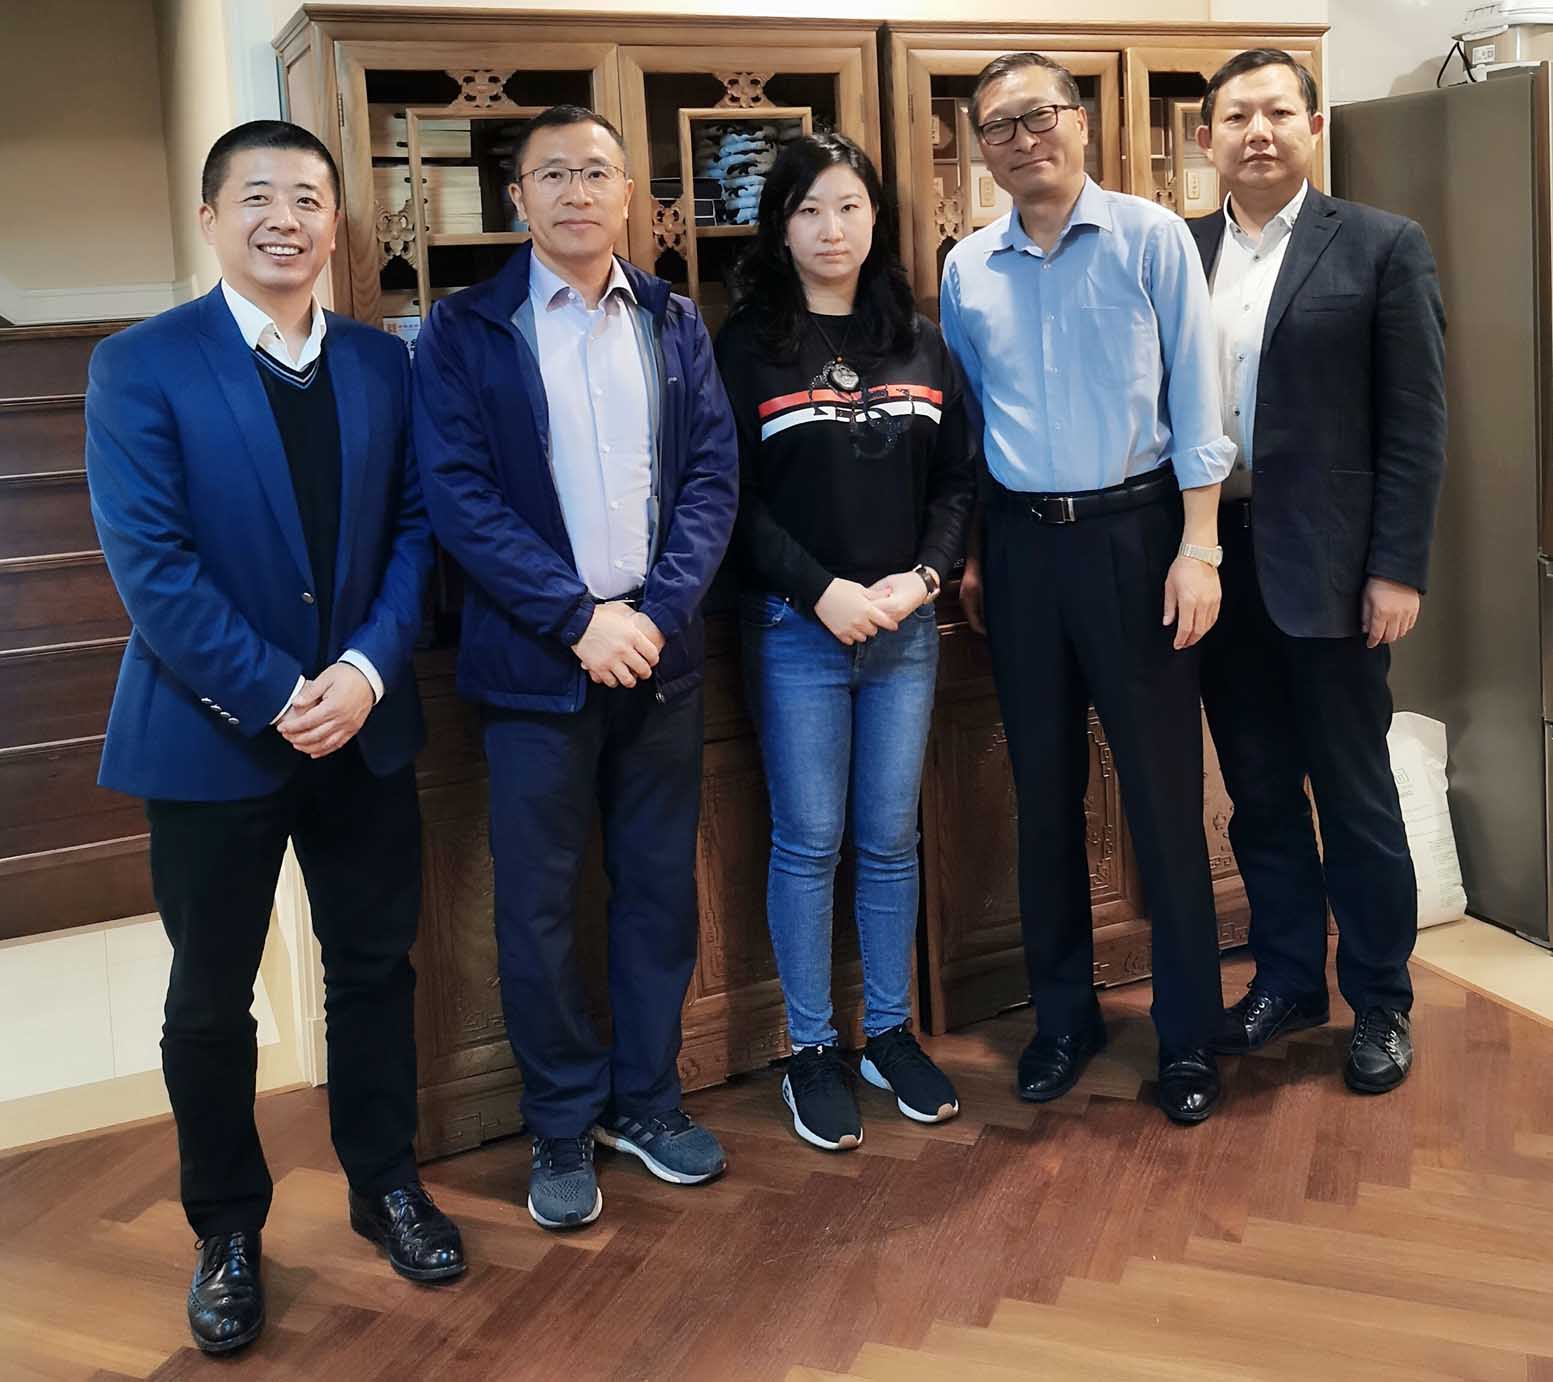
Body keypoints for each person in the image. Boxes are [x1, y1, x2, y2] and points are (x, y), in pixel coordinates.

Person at [84, 120, 463, 1355]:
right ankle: (227, 1227)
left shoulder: (381, 362)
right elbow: (154, 568)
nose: (284, 218)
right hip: (213, 739)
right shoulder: (140, 364)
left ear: (335, 221)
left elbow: (416, 531)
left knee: (374, 969)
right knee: (210, 996)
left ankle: (385, 1183)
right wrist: (279, 692)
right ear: (211, 218)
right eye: (256, 195)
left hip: (364, 725)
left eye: (307, 196)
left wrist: (360, 673)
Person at [414, 105, 740, 1229]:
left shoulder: (672, 318)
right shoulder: (464, 327)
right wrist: (575, 619)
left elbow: (711, 478)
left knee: (656, 892)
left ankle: (647, 1100)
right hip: (532, 669)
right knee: (539, 907)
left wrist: (652, 613)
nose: (575, 192)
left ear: (629, 196)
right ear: (518, 198)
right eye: (551, 174)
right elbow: (458, 496)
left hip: (661, 659)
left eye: (595, 172)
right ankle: (559, 1120)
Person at [940, 52, 1236, 1125]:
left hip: (1136, 538)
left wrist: (1197, 546)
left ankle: (1189, 1033)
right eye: (998, 126)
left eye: (1039, 116)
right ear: (980, 147)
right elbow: (969, 424)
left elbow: (1197, 394)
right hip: (1021, 549)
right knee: (1043, 792)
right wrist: (976, 551)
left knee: (1161, 796)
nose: (1022, 139)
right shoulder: (966, 268)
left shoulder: (1151, 237)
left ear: (1078, 121)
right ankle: (1063, 1020)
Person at [1189, 49, 1447, 1092]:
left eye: (1276, 112)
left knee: (1353, 794)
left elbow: (1415, 423)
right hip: (1214, 561)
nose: (1256, 131)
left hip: (1336, 573)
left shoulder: (1381, 245)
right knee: (1255, 790)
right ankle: (1288, 977)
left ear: (1311, 127)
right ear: (1204, 137)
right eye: (1235, 116)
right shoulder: (1179, 251)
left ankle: (1380, 998)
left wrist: (1396, 568)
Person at [715, 134, 977, 1151]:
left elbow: (956, 480)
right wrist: (820, 591)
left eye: (849, 207)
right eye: (809, 209)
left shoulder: (919, 340)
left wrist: (923, 580)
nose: (831, 229)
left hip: (905, 630)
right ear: (779, 228)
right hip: (797, 630)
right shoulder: (746, 346)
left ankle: (888, 1033)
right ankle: (812, 1046)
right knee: (808, 839)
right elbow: (728, 499)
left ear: (876, 219)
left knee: (888, 839)